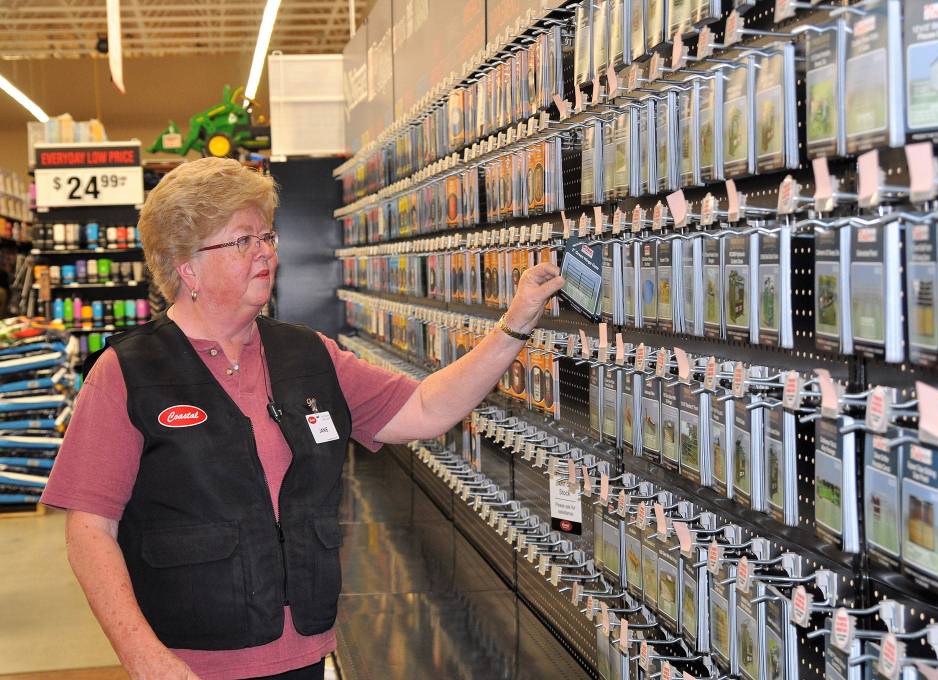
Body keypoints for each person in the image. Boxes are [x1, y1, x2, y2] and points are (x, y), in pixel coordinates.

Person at [40, 157, 564, 680]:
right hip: (189, 662)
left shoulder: (307, 355)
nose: (265, 251)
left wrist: (515, 325)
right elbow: (89, 531)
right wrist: (145, 659)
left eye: (266, 235)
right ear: (187, 265)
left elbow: (426, 408)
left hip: (305, 653)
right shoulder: (127, 372)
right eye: (242, 240)